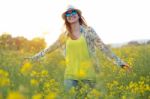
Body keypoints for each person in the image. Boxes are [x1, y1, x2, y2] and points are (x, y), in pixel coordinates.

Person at [25, 5, 131, 98]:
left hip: (89, 75)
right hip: (70, 75)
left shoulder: (89, 31)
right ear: (66, 18)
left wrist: (121, 63)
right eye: (68, 14)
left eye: (73, 12)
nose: (71, 14)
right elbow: (49, 49)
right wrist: (33, 58)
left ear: (78, 15)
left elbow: (104, 48)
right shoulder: (64, 36)